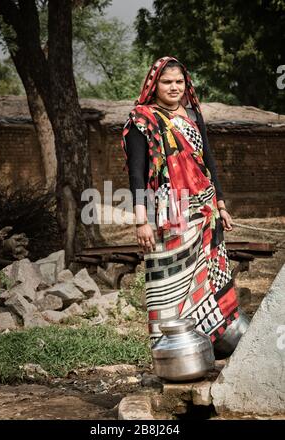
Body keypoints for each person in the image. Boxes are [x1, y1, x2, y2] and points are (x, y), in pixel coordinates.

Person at [121, 56, 240, 351]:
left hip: (205, 212)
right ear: (154, 85)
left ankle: (212, 343)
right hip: (167, 214)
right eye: (166, 82)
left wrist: (221, 204)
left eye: (179, 82)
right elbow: (136, 174)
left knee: (208, 281)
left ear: (186, 84)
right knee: (168, 284)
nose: (174, 87)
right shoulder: (142, 120)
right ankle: (171, 348)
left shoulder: (193, 117)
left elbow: (208, 162)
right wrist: (141, 220)